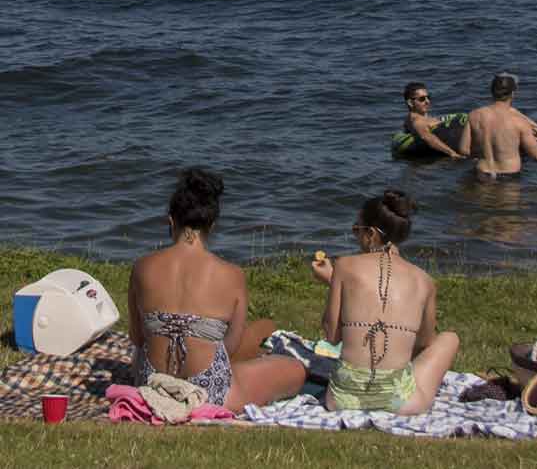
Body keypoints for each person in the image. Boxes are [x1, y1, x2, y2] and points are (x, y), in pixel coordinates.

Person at [128, 169, 307, 412]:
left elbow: (137, 338)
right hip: (210, 393)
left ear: (171, 221)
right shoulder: (232, 274)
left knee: (262, 327)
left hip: (152, 386)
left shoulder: (142, 267)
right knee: (295, 370)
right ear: (211, 225)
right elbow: (230, 348)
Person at [311, 190, 459, 414]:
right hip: (401, 404)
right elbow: (425, 343)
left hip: (341, 400)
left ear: (371, 234)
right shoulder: (424, 280)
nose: (355, 235)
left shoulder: (343, 265)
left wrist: (334, 282)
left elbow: (332, 336)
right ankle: (390, 384)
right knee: (449, 338)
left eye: (356, 230)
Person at [458, 72, 537, 178]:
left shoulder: (474, 115)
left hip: (482, 173)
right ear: (513, 94)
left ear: (492, 92)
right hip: (509, 175)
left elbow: (464, 150)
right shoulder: (519, 121)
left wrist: (485, 151)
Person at [402, 82, 464, 159]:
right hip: (449, 153)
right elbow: (426, 136)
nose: (427, 101)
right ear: (410, 103)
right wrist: (452, 153)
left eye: (428, 97)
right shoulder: (416, 120)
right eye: (422, 99)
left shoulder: (425, 118)